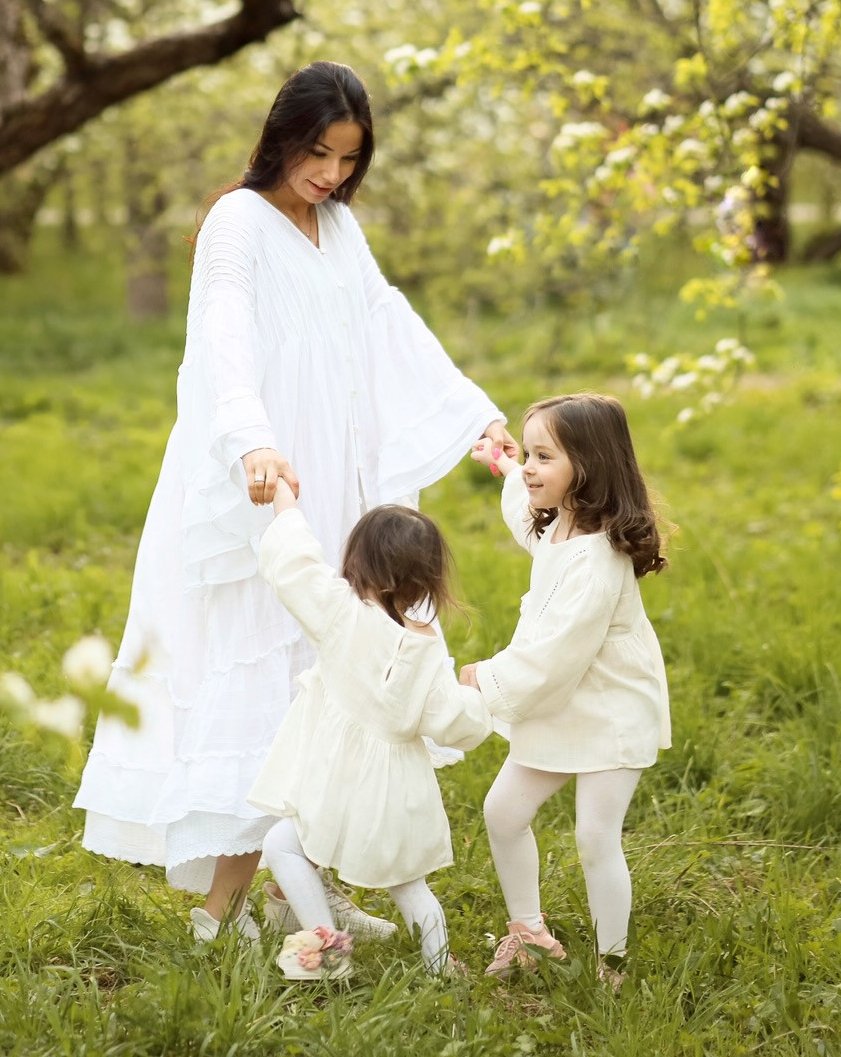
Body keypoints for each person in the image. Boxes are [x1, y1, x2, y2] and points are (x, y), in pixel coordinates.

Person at [73, 61, 516, 943]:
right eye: (320, 153)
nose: (333, 175)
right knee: (271, 679)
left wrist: (472, 413)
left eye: (349, 159)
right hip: (275, 477)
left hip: (346, 473)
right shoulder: (235, 223)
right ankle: (220, 913)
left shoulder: (339, 227)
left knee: (339, 686)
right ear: (282, 138)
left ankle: (298, 890)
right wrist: (250, 438)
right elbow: (222, 337)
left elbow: (387, 321)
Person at [459, 392, 672, 986]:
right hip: (560, 700)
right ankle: (528, 933)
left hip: (608, 705)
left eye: (543, 457)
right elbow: (520, 513)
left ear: (588, 466)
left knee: (595, 836)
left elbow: (553, 658)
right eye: (528, 453)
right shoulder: (553, 524)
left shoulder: (597, 562)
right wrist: (506, 464)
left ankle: (613, 964)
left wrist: (486, 679)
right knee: (503, 812)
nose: (530, 467)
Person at [247, 480, 491, 979]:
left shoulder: (340, 612)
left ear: (358, 559)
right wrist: (479, 696)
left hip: (333, 785)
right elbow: (454, 724)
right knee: (409, 885)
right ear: (425, 578)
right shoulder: (426, 651)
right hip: (394, 794)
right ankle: (440, 967)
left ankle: (326, 950)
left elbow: (294, 567)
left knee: (282, 845)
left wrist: (286, 503)